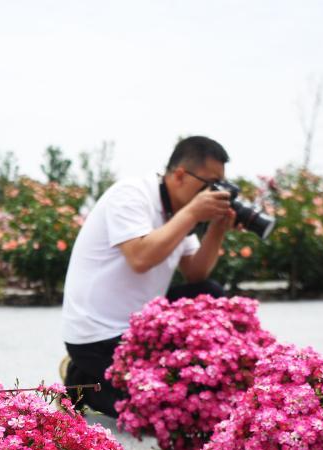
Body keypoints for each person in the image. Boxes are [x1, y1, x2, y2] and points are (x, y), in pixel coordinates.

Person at [61, 136, 236, 417]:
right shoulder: (131, 195)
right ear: (180, 175)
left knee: (208, 292)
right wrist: (192, 213)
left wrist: (217, 227)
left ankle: (96, 373)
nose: (213, 193)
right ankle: (79, 380)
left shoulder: (178, 212)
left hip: (140, 327)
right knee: (157, 407)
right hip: (99, 335)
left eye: (219, 186)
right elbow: (140, 258)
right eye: (209, 185)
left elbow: (195, 272)